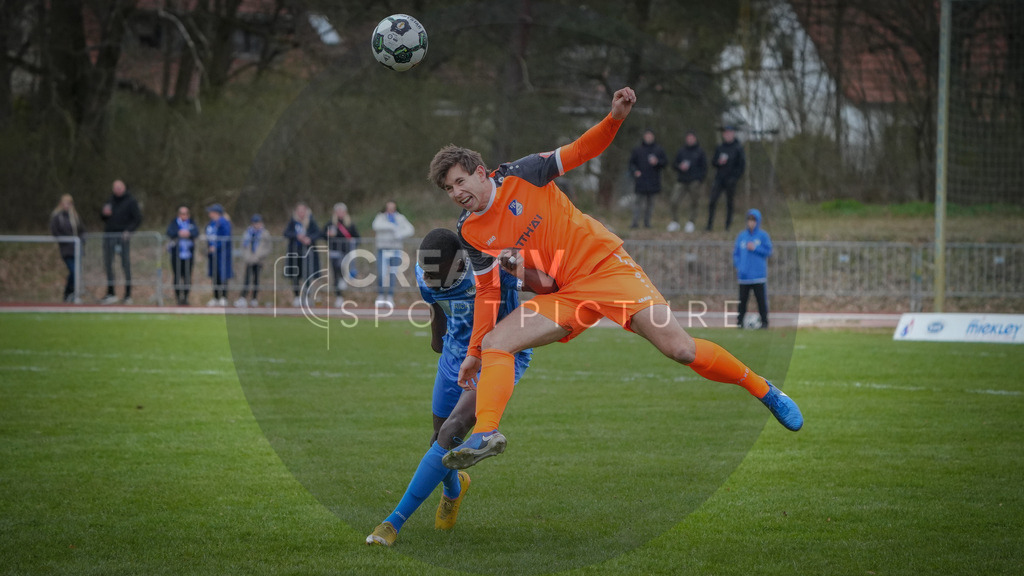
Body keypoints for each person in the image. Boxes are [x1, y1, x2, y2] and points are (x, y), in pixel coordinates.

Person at [427, 87, 802, 472]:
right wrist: (474, 353)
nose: (456, 193)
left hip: (608, 268)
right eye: (448, 189)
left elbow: (580, 151)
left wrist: (615, 118)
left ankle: (764, 389)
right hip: (569, 293)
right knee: (495, 342)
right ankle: (487, 433)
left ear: (480, 172)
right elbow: (487, 291)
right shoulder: (469, 231)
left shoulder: (523, 173)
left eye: (459, 182)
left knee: (680, 350)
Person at [366, 228, 554, 546]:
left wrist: (517, 266)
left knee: (453, 429)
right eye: (425, 271)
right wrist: (437, 340)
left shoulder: (490, 269)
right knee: (438, 439)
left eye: (435, 273)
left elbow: (549, 286)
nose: (427, 278)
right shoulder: (426, 274)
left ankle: (392, 523)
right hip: (454, 358)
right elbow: (435, 303)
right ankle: (454, 489)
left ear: (459, 263)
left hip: (499, 355)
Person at [100, 179, 142, 304]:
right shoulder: (110, 201)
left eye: (120, 187)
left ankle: (128, 295)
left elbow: (138, 218)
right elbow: (103, 217)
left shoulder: (131, 201)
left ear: (124, 187)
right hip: (109, 236)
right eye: (115, 187)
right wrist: (104, 214)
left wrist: (129, 231)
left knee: (125, 265)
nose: (117, 189)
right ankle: (111, 293)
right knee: (108, 265)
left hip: (123, 238)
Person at [733, 209, 772, 329]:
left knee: (761, 300)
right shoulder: (742, 236)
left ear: (758, 221)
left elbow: (768, 251)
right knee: (742, 301)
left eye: (754, 220)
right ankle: (739, 323)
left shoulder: (763, 236)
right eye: (749, 220)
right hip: (744, 276)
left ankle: (764, 323)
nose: (751, 223)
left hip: (758, 275)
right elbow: (736, 254)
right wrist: (739, 266)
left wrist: (755, 248)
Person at [371, 200, 414, 306]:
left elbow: (410, 229)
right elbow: (375, 226)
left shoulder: (400, 218)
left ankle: (390, 296)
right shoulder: (380, 217)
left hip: (395, 249)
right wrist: (391, 226)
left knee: (392, 274)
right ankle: (381, 295)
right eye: (389, 207)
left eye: (392, 207)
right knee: (381, 273)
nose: (390, 209)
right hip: (382, 249)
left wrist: (400, 234)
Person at [283, 202, 323, 308]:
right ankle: (296, 296)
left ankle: (307, 296)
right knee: (295, 275)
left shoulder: (311, 221)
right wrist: (297, 236)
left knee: (308, 276)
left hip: (308, 254)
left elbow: (318, 233)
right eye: (299, 211)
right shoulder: (293, 222)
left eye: (303, 211)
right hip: (295, 254)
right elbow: (286, 233)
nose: (301, 213)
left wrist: (309, 238)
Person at [706, 126, 746, 231]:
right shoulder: (720, 147)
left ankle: (727, 226)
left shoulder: (738, 148)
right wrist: (718, 162)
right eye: (726, 133)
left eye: (730, 133)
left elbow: (741, 166)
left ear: (733, 134)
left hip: (731, 180)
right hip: (719, 179)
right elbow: (713, 162)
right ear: (724, 135)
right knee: (712, 201)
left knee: (729, 203)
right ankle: (709, 225)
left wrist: (735, 178)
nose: (728, 135)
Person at [49, 194, 86, 303]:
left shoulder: (75, 216)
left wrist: (81, 240)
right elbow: (55, 232)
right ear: (61, 204)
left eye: (69, 203)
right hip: (66, 250)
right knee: (74, 271)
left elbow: (83, 231)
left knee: (77, 272)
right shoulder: (57, 217)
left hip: (77, 249)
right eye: (65, 203)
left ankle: (71, 294)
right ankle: (68, 293)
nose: (67, 205)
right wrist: (66, 240)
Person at [669, 131, 708, 233]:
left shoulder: (700, 151)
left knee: (694, 202)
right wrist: (679, 167)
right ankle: (675, 222)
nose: (690, 140)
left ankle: (691, 222)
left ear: (695, 139)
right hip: (681, 180)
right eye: (688, 138)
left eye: (692, 138)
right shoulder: (681, 151)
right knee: (674, 200)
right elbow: (674, 164)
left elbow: (704, 167)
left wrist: (699, 179)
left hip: (694, 181)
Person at [627, 129, 666, 229]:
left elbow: (665, 163)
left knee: (650, 204)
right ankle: (635, 222)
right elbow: (631, 163)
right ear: (644, 137)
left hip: (653, 181)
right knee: (638, 203)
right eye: (647, 136)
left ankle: (647, 223)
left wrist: (657, 162)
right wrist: (635, 171)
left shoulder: (658, 149)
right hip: (640, 181)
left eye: (650, 136)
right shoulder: (638, 150)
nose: (649, 138)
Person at [325, 202, 360, 308]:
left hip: (346, 252)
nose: (340, 213)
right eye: (338, 211)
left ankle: (343, 279)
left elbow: (357, 237)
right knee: (336, 272)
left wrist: (352, 243)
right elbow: (322, 234)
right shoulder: (330, 224)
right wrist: (328, 235)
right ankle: (338, 297)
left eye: (342, 211)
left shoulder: (350, 224)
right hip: (334, 251)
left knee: (344, 267)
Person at [166, 205, 200, 306]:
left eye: (185, 214)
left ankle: (185, 298)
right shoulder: (174, 223)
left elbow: (196, 232)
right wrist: (178, 233)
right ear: (178, 214)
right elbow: (169, 232)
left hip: (188, 256)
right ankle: (177, 298)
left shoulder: (191, 223)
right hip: (176, 255)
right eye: (181, 213)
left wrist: (188, 233)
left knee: (187, 277)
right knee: (177, 276)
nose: (183, 215)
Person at [236, 214, 271, 308]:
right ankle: (243, 298)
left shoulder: (265, 233)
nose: (257, 225)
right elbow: (243, 246)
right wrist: (248, 257)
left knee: (256, 280)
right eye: (255, 223)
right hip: (249, 260)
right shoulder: (247, 233)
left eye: (258, 222)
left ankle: (254, 299)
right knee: (247, 279)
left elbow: (267, 248)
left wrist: (258, 256)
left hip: (259, 260)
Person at [205, 204, 233, 307]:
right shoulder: (211, 223)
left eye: (211, 211)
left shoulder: (224, 222)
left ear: (216, 212)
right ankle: (216, 297)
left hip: (222, 254)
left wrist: (216, 247)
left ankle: (224, 297)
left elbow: (226, 238)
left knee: (223, 275)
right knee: (215, 276)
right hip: (213, 255)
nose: (209, 213)